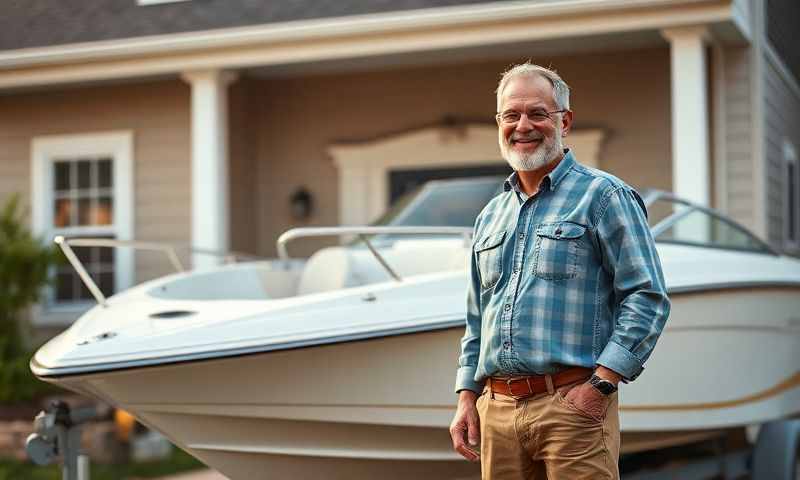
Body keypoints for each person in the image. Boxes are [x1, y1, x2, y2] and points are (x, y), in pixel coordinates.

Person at [449, 62, 670, 479]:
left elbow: (646, 296)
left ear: (564, 122)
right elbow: (478, 318)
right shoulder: (490, 216)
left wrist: (600, 386)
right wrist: (466, 397)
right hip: (496, 413)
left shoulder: (604, 196)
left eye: (537, 113)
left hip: (573, 406)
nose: (523, 125)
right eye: (511, 115)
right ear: (499, 123)